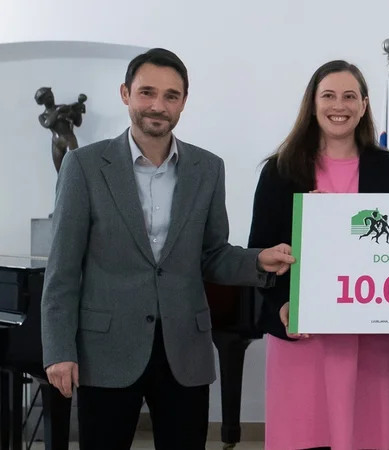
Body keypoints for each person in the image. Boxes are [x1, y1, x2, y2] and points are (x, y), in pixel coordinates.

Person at [40, 48, 296, 450]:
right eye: (147, 93)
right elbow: (63, 271)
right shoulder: (84, 167)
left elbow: (212, 255)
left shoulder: (208, 168)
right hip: (105, 353)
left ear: (183, 102)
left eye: (171, 96)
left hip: (185, 353)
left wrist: (256, 260)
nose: (158, 106)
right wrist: (58, 350)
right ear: (126, 93)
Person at [248, 59, 389, 450]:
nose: (338, 105)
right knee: (305, 438)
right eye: (328, 95)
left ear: (364, 105)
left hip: (371, 339)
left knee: (370, 438)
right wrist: (282, 305)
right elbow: (258, 255)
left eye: (349, 96)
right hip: (303, 337)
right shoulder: (280, 171)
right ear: (313, 103)